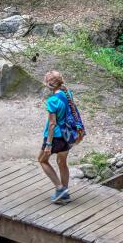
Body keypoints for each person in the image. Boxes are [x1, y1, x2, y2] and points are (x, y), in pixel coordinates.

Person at [38, 70, 82, 203]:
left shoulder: (53, 100)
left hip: (56, 137)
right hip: (68, 136)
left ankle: (60, 188)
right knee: (62, 162)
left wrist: (49, 144)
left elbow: (52, 124)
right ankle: (65, 193)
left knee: (42, 160)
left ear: (49, 84)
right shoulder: (67, 94)